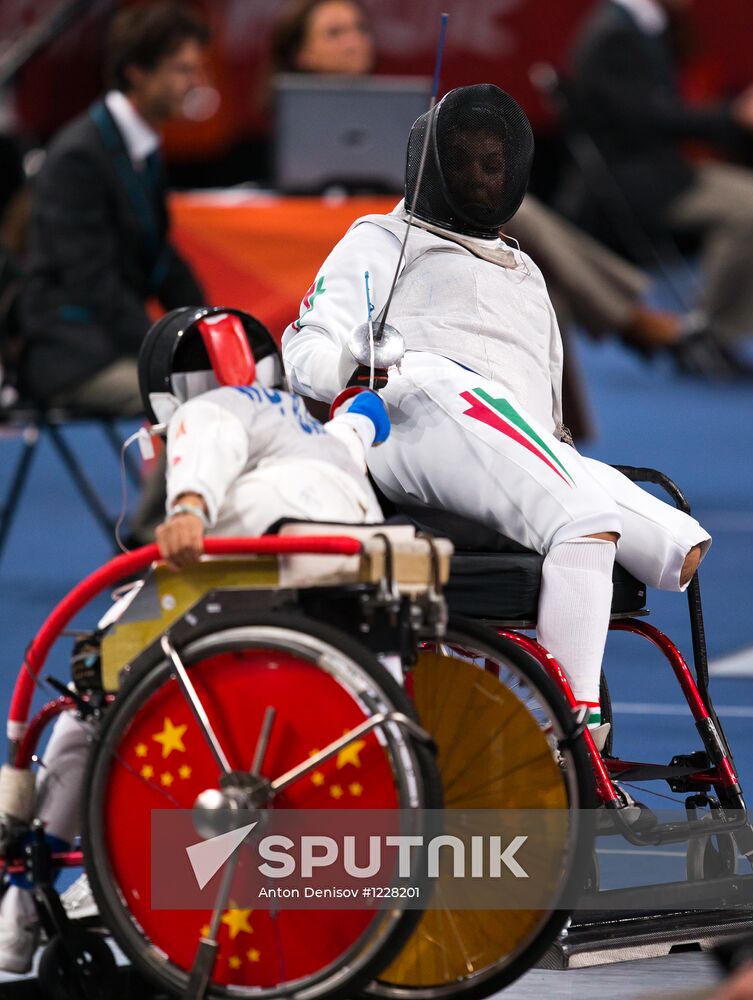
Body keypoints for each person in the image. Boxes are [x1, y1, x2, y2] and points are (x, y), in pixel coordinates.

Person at [282, 83, 710, 758]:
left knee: (678, 552)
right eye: (466, 162)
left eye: (495, 164)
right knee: (581, 524)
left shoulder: (522, 268)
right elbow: (303, 349)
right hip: (415, 407)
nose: (484, 177)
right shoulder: (380, 240)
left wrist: (560, 450)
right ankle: (567, 725)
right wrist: (352, 363)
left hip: (505, 438)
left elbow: (537, 407)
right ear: (429, 166)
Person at [0, 308, 389, 973]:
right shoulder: (306, 426)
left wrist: (187, 508)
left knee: (89, 679)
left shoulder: (208, 410)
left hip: (253, 551)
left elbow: (205, 434)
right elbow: (362, 425)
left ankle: (24, 909)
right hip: (354, 563)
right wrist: (367, 402)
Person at [264, 0, 712, 440]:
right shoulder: (280, 114)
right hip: (354, 225)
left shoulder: (402, 107)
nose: (353, 41)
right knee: (527, 221)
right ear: (301, 51)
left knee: (528, 269)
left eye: (359, 29)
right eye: (335, 32)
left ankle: (549, 425)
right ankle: (628, 319)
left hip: (428, 218)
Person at [18, 1, 208, 415]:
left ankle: (173, 484)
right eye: (181, 69)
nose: (193, 83)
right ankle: (169, 485)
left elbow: (161, 258)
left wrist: (211, 326)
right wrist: (167, 355)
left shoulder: (138, 146)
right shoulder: (79, 157)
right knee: (192, 402)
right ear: (136, 72)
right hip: (69, 354)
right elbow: (92, 282)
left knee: (218, 392)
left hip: (109, 341)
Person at [569, 0, 753, 374]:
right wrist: (731, 116)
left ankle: (720, 333)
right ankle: (709, 336)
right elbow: (647, 119)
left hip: (666, 170)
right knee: (747, 208)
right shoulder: (613, 35)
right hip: (641, 183)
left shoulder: (635, 25)